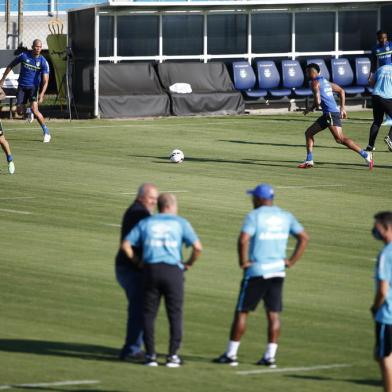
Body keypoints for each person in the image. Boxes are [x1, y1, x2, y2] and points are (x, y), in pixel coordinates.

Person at [214, 184, 309, 367]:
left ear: (259, 199)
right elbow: (304, 237)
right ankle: (269, 357)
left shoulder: (255, 216)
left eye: (253, 198)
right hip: (278, 271)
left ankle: (231, 354)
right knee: (273, 315)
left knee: (242, 312)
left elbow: (243, 239)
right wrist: (290, 261)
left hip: (257, 271)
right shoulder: (285, 216)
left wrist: (243, 262)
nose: (252, 200)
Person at [121, 193, 202, 367]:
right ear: (172, 206)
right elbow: (197, 247)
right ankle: (172, 356)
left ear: (159, 206)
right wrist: (188, 263)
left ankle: (150, 356)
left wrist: (138, 262)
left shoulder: (147, 222)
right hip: (173, 271)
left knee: (149, 314)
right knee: (175, 314)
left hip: (150, 270)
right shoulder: (180, 223)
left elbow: (126, 244)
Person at [298, 63, 374, 170]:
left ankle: (366, 155)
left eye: (307, 72)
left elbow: (318, 101)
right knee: (309, 133)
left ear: (312, 72)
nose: (306, 74)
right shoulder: (325, 82)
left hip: (331, 114)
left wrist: (311, 108)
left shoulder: (314, 83)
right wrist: (342, 108)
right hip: (327, 114)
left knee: (340, 139)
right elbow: (341, 91)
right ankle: (309, 160)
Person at [115, 183, 158, 361]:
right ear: (141, 197)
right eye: (151, 198)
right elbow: (127, 245)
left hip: (128, 268)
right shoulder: (139, 213)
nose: (154, 202)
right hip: (130, 269)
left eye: (156, 199)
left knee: (141, 309)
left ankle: (136, 347)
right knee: (139, 309)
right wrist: (138, 263)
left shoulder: (138, 210)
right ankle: (132, 349)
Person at [0, 39, 51, 143]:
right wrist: (2, 79)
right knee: (19, 112)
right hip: (22, 87)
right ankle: (29, 111)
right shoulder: (24, 56)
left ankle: (46, 132)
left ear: (41, 48)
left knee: (35, 110)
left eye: (40, 47)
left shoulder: (43, 62)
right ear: (32, 47)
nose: (38, 48)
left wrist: (42, 94)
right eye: (36, 46)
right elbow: (11, 65)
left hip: (33, 88)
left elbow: (45, 81)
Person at [371, 211, 392, 392]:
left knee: (384, 357)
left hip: (388, 314)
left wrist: (375, 307)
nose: (374, 230)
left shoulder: (386, 254)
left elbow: (383, 290)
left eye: (377, 226)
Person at [366, 64, 392, 153]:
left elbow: (371, 83)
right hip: (387, 97)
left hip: (375, 96)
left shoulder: (382, 68)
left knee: (377, 122)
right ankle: (390, 138)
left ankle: (370, 146)